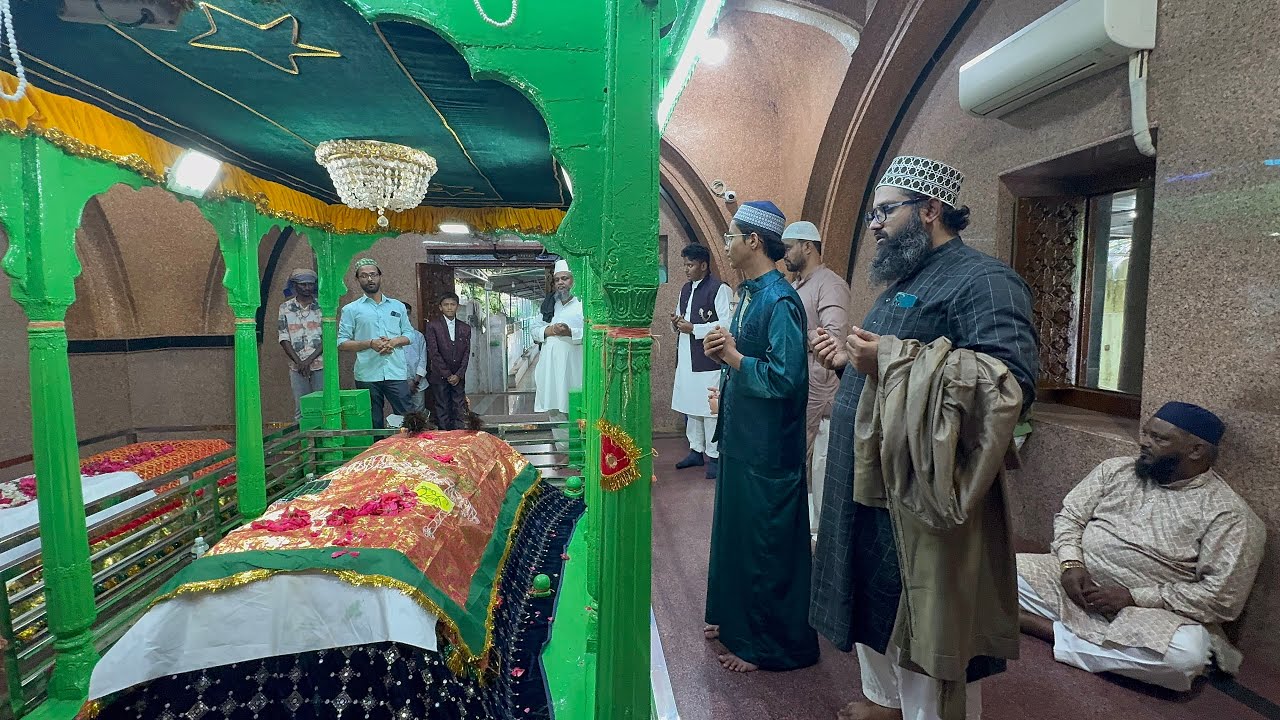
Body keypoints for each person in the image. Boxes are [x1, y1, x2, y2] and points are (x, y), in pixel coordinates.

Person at [809, 156, 1039, 720]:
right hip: (875, 479)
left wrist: (885, 356)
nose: (875, 225)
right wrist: (850, 364)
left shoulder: (983, 280)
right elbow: (892, 382)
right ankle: (886, 703)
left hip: (921, 493)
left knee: (923, 616)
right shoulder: (905, 282)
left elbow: (1010, 384)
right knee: (877, 603)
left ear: (930, 209)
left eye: (885, 211)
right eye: (873, 214)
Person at [1017, 402, 1264, 692]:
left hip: (1149, 613)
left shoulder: (1228, 514)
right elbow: (1070, 517)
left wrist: (1134, 597)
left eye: (1158, 439)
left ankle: (1041, 628)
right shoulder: (1115, 470)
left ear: (1195, 451)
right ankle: (1095, 643)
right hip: (1073, 585)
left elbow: (1222, 598)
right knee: (986, 574)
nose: (1144, 443)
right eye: (1146, 433)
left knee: (1186, 656)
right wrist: (1071, 563)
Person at [702, 200, 818, 674]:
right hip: (744, 437)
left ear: (754, 241)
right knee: (739, 533)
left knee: (765, 541)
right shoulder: (750, 292)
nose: (725, 243)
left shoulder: (780, 299)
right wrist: (724, 359)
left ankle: (769, 646)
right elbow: (745, 355)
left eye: (731, 235)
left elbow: (786, 377)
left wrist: (731, 359)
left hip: (769, 446)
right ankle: (734, 619)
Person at [781, 221, 850, 533]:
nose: (784, 255)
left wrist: (790, 334)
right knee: (801, 466)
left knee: (820, 467)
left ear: (806, 246)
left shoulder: (830, 284)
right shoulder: (798, 285)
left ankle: (823, 540)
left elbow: (833, 339)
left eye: (788, 247)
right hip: (800, 388)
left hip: (821, 392)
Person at [670, 243, 732, 480]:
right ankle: (696, 450)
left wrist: (694, 327)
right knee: (690, 407)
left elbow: (726, 323)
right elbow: (680, 319)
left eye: (691, 265)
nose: (686, 269)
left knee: (709, 410)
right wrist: (676, 321)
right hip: (687, 357)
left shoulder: (719, 289)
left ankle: (714, 457)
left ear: (704, 265)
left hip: (709, 359)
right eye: (685, 264)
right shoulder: (685, 289)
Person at [337, 258, 414, 429]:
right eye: (364, 276)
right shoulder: (351, 309)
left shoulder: (397, 306)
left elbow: (409, 334)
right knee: (373, 422)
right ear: (357, 280)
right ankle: (376, 455)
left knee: (408, 418)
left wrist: (394, 342)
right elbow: (342, 342)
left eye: (373, 275)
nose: (369, 279)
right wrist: (370, 343)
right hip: (367, 374)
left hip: (395, 372)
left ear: (380, 277)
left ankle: (409, 454)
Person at [532, 259, 584, 416]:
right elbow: (534, 329)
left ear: (574, 280)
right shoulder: (549, 305)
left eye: (565, 278)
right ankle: (559, 441)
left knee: (573, 408)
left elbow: (592, 332)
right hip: (550, 368)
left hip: (574, 366)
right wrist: (551, 330)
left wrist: (570, 332)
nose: (561, 283)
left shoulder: (583, 304)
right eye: (557, 279)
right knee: (554, 410)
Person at [276, 268, 324, 419]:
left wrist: (308, 361)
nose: (307, 288)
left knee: (323, 405)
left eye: (310, 284)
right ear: (294, 285)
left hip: (321, 364)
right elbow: (283, 337)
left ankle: (322, 442)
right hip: (296, 366)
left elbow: (328, 338)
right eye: (303, 284)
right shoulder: (285, 308)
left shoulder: (323, 306)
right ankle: (304, 442)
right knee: (301, 409)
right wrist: (300, 362)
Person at [426, 292, 472, 430]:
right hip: (440, 375)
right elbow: (434, 352)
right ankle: (445, 438)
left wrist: (458, 374)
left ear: (457, 306)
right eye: (446, 305)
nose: (449, 308)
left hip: (458, 376)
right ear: (440, 307)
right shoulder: (433, 326)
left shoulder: (465, 327)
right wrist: (447, 374)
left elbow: (466, 353)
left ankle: (459, 437)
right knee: (442, 407)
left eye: (452, 304)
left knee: (459, 406)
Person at [401, 302, 429, 415]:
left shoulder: (418, 336)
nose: (405, 316)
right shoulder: (392, 338)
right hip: (399, 383)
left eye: (407, 313)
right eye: (402, 314)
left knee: (419, 415)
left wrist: (415, 381)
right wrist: (406, 381)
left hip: (418, 384)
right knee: (403, 415)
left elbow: (423, 359)